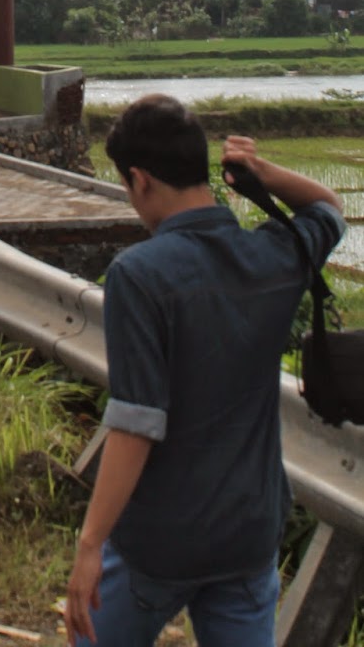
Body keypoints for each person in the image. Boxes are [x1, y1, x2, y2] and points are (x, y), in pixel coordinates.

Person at [65, 94, 344, 647]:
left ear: (140, 180)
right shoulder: (275, 254)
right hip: (248, 533)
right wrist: (262, 172)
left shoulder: (139, 275)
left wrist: (91, 542)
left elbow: (136, 422)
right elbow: (330, 209)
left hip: (162, 539)